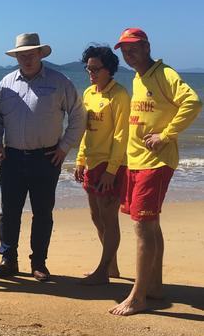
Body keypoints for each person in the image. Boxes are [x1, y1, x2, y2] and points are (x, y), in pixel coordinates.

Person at [109, 28, 202, 315]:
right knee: (151, 224)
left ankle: (138, 296)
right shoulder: (138, 78)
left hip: (156, 162)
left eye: (133, 47)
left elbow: (193, 102)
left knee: (142, 226)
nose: (128, 53)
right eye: (124, 49)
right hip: (137, 161)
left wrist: (166, 134)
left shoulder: (164, 74)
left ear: (147, 46)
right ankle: (156, 286)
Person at [0, 33, 86, 281]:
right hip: (11, 158)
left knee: (43, 212)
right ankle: (8, 259)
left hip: (46, 158)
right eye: (22, 54)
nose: (27, 58)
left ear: (40, 54)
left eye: (31, 54)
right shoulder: (6, 83)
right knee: (9, 211)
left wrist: (64, 147)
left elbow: (78, 115)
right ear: (17, 56)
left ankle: (39, 263)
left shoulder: (59, 81)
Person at [74, 45, 130, 285]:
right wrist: (80, 159)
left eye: (96, 69)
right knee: (95, 216)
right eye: (88, 69)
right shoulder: (88, 93)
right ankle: (113, 267)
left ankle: (103, 270)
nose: (91, 73)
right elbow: (86, 131)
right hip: (92, 163)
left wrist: (111, 170)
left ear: (109, 69)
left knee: (109, 217)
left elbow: (121, 135)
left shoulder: (119, 95)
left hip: (111, 164)